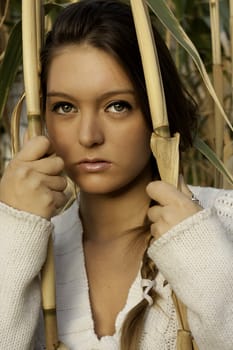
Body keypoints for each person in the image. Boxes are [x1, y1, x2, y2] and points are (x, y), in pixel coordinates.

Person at [0, 0, 232, 349]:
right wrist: (13, 236)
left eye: (117, 106)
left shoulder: (223, 222)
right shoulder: (27, 247)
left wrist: (201, 255)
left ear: (157, 108)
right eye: (65, 107)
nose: (88, 135)